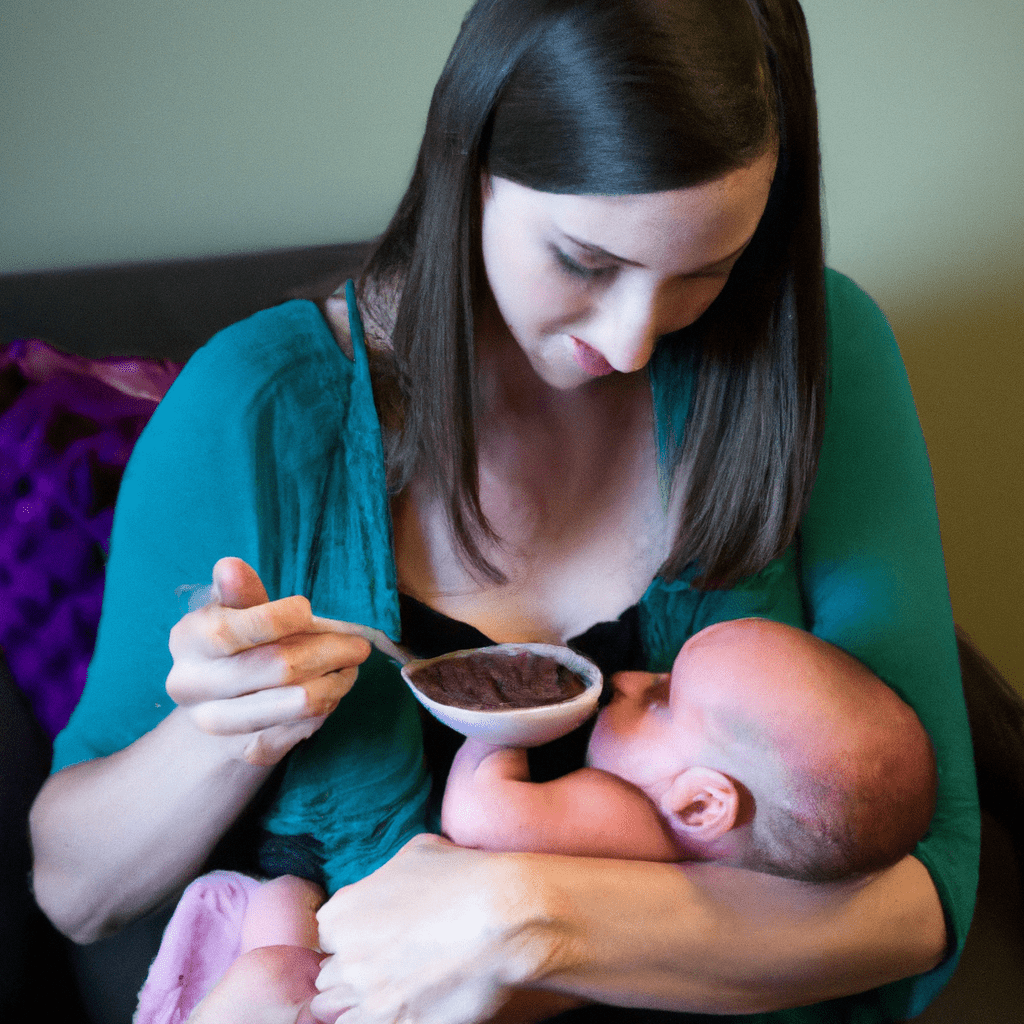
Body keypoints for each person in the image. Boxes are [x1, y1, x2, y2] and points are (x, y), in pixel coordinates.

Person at [29, 1, 978, 1023]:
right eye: (585, 261)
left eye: (706, 273)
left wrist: (526, 912)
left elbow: (927, 884)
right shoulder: (258, 408)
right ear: (463, 167)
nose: (630, 343)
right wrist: (221, 733)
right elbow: (76, 894)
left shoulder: (815, 354)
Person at [148, 617, 939, 1024]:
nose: (630, 676)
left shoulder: (623, 818)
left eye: (660, 697)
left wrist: (502, 731)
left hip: (385, 994)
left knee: (280, 925)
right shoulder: (715, 861)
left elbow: (482, 816)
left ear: (702, 803)